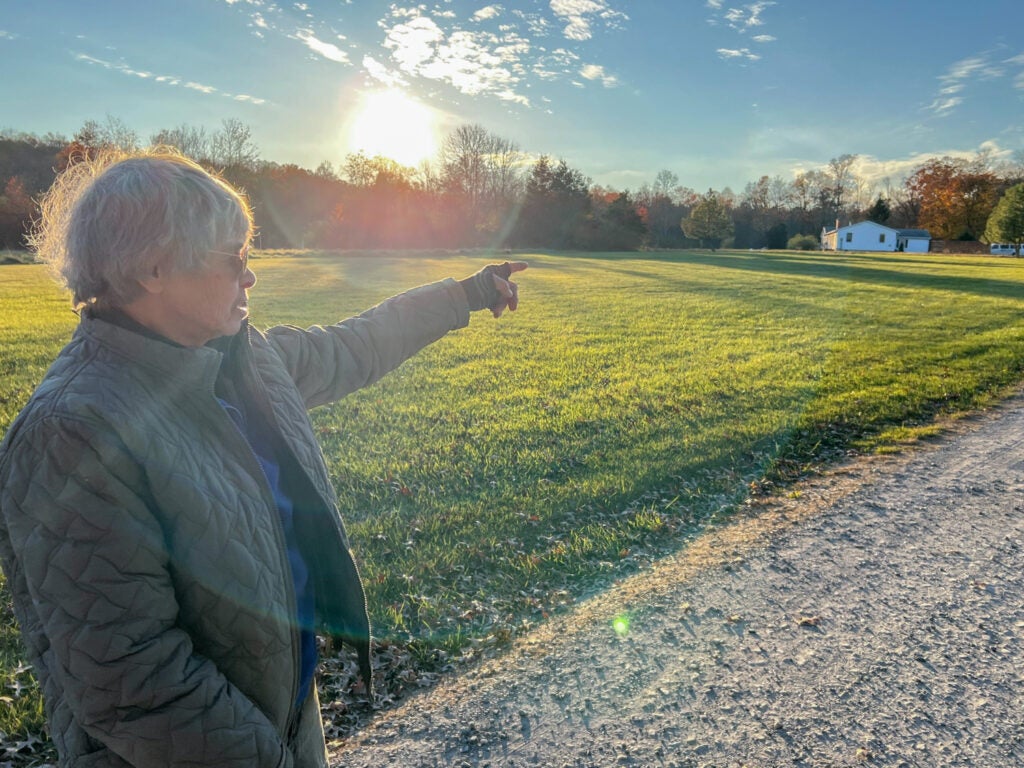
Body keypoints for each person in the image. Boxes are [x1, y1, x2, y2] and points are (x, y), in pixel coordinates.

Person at [0, 147, 526, 768]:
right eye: (235, 257)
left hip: (282, 719)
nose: (250, 277)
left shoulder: (239, 358)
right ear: (151, 267)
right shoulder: (73, 430)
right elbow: (132, 677)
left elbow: (354, 346)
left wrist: (465, 294)